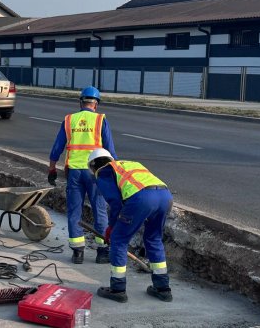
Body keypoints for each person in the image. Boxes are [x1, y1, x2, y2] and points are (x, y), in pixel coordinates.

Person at [87, 148, 173, 303]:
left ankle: (117, 289)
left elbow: (115, 204)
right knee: (153, 239)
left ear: (93, 166)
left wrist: (111, 228)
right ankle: (163, 288)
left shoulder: (104, 172)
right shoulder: (129, 164)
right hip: (165, 196)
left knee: (119, 240)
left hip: (142, 198)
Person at [47, 86, 117, 264]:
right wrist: (116, 173)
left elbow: (57, 148)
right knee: (99, 210)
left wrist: (52, 169)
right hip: (96, 172)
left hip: (75, 172)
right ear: (96, 104)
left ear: (80, 102)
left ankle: (78, 252)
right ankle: (102, 251)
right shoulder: (101, 120)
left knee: (74, 211)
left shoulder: (70, 119)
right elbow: (110, 150)